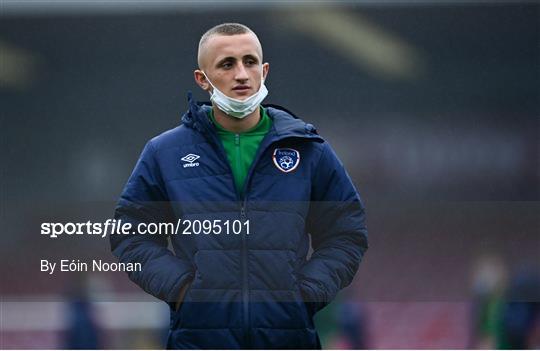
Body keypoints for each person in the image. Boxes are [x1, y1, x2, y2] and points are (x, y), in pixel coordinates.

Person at [110, 22, 368, 349]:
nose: (242, 74)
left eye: (250, 62)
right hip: (200, 340)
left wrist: (306, 295)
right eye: (227, 64)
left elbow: (347, 232)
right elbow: (130, 232)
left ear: (265, 70)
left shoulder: (308, 149)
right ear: (202, 79)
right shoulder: (164, 153)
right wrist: (182, 292)